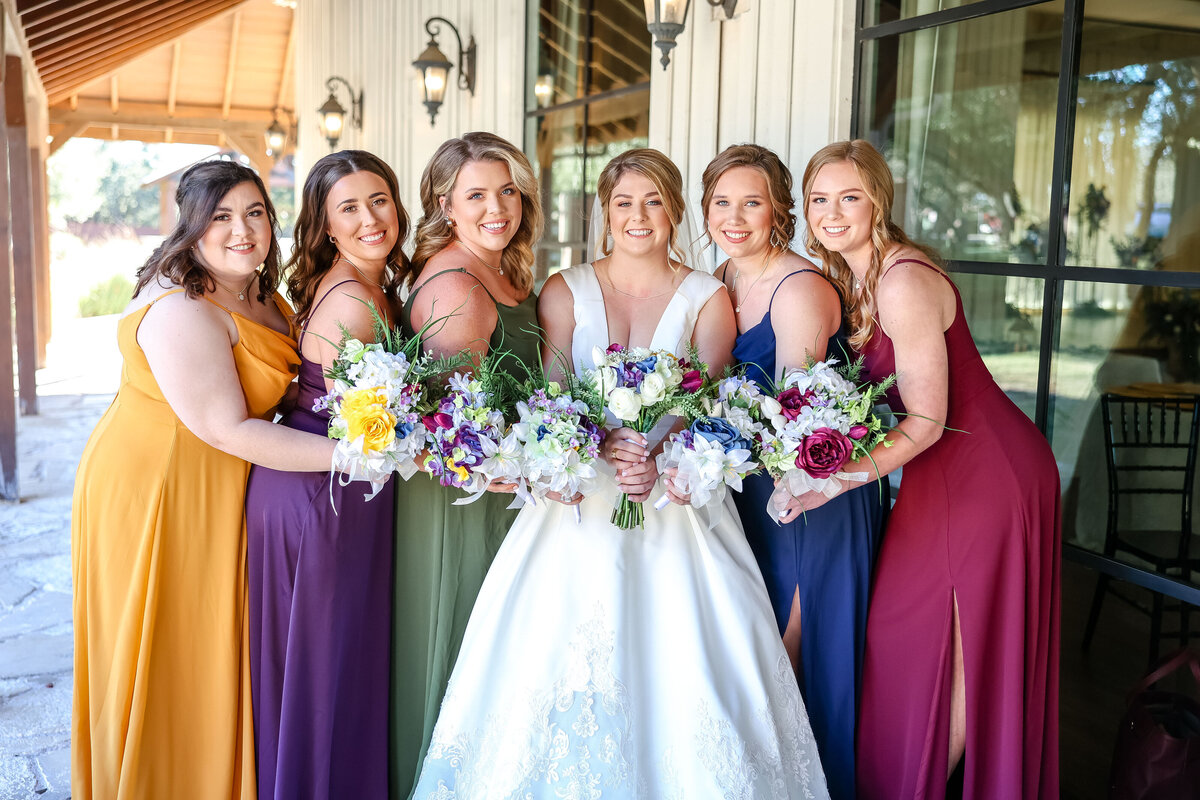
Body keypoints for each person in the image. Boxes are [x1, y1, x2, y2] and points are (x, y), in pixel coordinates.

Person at [410, 148, 829, 798]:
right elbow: (550, 394)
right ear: (604, 210)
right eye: (624, 202)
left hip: (674, 502)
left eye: (655, 201)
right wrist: (594, 441)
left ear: (675, 210)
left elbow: (705, 399)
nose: (640, 216)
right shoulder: (562, 288)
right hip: (576, 499)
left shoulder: (707, 296)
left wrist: (657, 455)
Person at [794, 140, 1060, 800]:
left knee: (964, 647)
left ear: (879, 201)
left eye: (849, 197)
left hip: (987, 477)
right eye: (819, 199)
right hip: (937, 477)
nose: (832, 213)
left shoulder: (902, 281)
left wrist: (837, 477)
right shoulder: (850, 281)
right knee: (899, 636)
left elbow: (928, 419)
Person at [71, 160, 341, 799]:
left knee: (207, 651)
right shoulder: (181, 307)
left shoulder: (258, 291)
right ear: (190, 227)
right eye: (220, 217)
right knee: (165, 647)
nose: (241, 230)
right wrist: (356, 456)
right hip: (158, 485)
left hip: (221, 483)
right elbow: (230, 429)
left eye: (254, 214)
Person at [701, 143, 887, 800]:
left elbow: (794, 419)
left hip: (807, 498)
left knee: (792, 659)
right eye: (722, 202)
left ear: (779, 208)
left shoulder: (799, 287)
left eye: (751, 201)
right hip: (744, 496)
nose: (735, 216)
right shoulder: (717, 283)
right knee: (751, 661)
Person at [244, 150, 408, 799]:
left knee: (332, 666)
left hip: (333, 489)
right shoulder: (353, 303)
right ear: (326, 226)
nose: (371, 218)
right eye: (349, 208)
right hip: (322, 498)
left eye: (380, 200)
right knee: (325, 672)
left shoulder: (365, 286)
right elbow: (374, 432)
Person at [390, 131, 544, 797]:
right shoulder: (455, 283)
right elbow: (454, 433)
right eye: (476, 194)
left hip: (505, 492)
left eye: (507, 190)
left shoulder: (502, 270)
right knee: (463, 649)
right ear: (445, 205)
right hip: (467, 499)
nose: (496, 207)